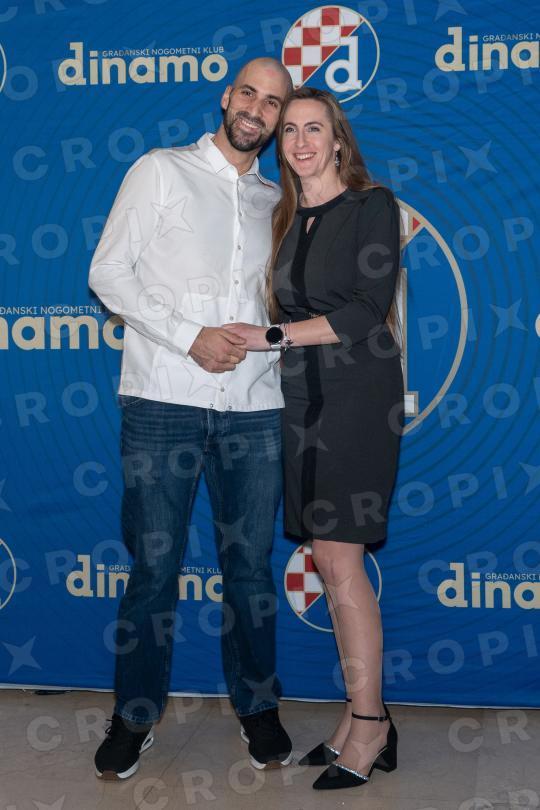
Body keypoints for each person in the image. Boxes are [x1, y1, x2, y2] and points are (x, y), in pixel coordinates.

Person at [88, 58, 294, 780]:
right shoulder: (160, 171)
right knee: (154, 569)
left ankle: (258, 708)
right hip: (162, 401)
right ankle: (134, 716)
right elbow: (107, 272)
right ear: (226, 97)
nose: (257, 110)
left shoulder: (279, 200)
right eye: (249, 94)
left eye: (273, 103)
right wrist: (188, 337)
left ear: (279, 118)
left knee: (251, 570)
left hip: (254, 408)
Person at [223, 86, 404, 791]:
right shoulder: (284, 217)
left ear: (337, 141)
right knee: (329, 561)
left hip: (357, 399)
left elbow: (366, 309)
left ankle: (371, 725)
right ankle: (359, 717)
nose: (300, 141)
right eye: (289, 130)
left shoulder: (371, 205)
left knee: (340, 558)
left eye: (314, 129)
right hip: (300, 400)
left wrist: (268, 336)